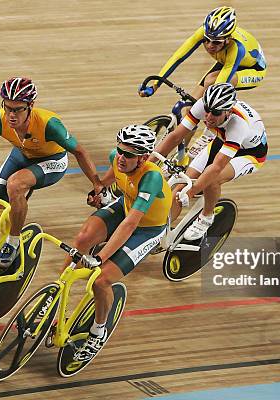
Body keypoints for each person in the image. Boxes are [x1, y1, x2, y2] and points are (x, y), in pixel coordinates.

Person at [0, 77, 102, 294]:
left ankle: (13, 241)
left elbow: (80, 151)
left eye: (18, 109)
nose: (11, 115)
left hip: (51, 162)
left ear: (31, 106)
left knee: (15, 185)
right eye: (7, 107)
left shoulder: (49, 124)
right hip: (21, 157)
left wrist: (97, 184)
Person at [69, 124, 172, 362]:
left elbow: (130, 225)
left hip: (147, 229)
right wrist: (98, 189)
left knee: (102, 279)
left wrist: (101, 256)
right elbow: (109, 178)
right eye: (120, 150)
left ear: (144, 157)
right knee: (82, 239)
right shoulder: (118, 158)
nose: (121, 157)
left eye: (129, 154)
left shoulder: (151, 178)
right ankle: (58, 289)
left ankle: (98, 331)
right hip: (125, 204)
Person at [139, 6, 267, 158]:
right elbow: (178, 57)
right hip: (225, 61)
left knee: (212, 86)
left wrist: (209, 115)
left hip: (252, 69)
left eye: (216, 42)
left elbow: (219, 87)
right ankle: (181, 157)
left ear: (228, 40)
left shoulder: (236, 49)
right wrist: (156, 84)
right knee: (188, 108)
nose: (210, 46)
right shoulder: (205, 32)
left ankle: (209, 134)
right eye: (206, 40)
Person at [149, 83, 267, 241]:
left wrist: (191, 193)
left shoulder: (238, 125)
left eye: (216, 113)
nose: (209, 117)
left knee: (212, 180)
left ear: (228, 111)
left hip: (250, 153)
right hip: (222, 141)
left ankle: (207, 216)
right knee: (179, 187)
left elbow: (217, 167)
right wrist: (148, 163)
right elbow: (176, 136)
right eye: (207, 110)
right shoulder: (203, 106)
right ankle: (156, 233)